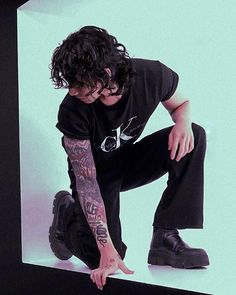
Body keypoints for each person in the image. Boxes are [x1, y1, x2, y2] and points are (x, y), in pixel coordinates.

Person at [48, 25, 209, 290]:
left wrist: (182, 122)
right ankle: (67, 220)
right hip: (96, 177)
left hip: (130, 160)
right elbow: (87, 183)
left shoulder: (152, 75)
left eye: (79, 83)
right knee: (104, 258)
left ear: (104, 72)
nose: (73, 91)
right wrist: (107, 248)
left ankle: (165, 235)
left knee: (194, 136)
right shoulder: (72, 110)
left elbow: (182, 104)